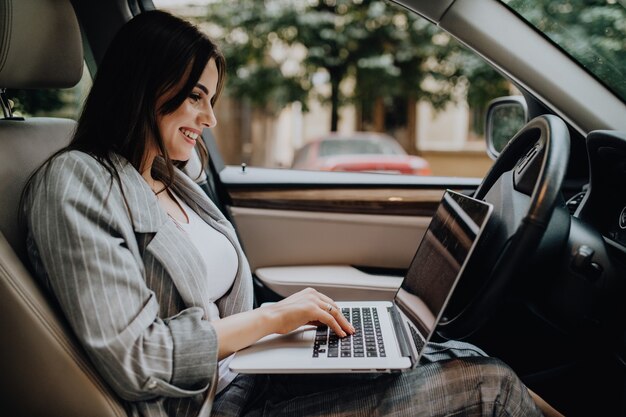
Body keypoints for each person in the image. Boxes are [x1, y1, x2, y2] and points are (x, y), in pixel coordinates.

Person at [22, 10, 545, 417]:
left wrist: (288, 327)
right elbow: (137, 360)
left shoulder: (166, 176)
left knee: (454, 353)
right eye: (196, 97)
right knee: (489, 386)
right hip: (212, 404)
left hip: (250, 374)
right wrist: (273, 319)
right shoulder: (76, 182)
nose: (209, 117)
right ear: (144, 88)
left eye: (212, 98)